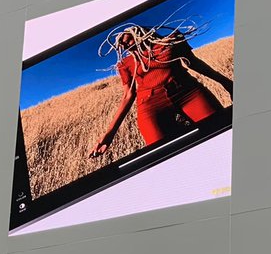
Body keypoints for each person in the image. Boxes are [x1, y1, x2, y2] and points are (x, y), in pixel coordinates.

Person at [90, 26, 234, 156]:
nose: (124, 45)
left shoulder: (171, 41)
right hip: (150, 105)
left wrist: (227, 83)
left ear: (139, 33)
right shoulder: (125, 64)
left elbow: (194, 63)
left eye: (127, 40)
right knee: (161, 153)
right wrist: (109, 135)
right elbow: (128, 95)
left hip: (187, 93)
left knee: (219, 128)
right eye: (121, 45)